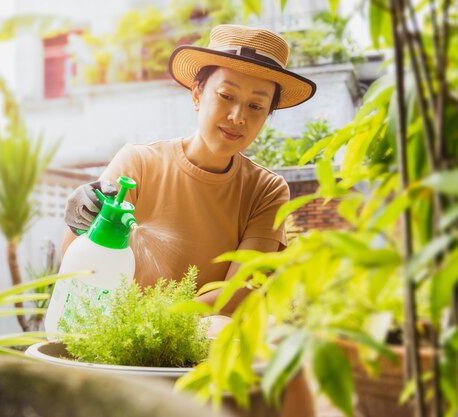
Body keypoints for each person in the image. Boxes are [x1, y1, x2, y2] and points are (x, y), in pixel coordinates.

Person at [61, 25, 317, 417]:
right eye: (226, 96)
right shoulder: (138, 163)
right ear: (197, 94)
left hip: (203, 336)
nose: (237, 117)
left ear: (268, 115)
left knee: (286, 355)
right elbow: (78, 273)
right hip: (116, 339)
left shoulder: (266, 190)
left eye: (256, 106)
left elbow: (235, 294)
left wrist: (159, 327)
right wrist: (81, 223)